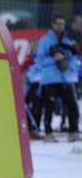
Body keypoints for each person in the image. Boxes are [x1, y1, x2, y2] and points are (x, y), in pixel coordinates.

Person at [36, 14, 80, 142]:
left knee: (72, 105)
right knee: (49, 106)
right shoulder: (45, 40)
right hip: (50, 79)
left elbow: (73, 57)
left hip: (64, 78)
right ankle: (48, 132)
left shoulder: (66, 41)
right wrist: (53, 59)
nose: (61, 26)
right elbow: (40, 61)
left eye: (62, 23)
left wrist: (67, 64)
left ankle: (73, 130)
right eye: (58, 23)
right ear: (53, 24)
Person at [20, 38, 44, 139]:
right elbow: (21, 69)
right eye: (33, 45)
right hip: (32, 84)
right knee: (28, 107)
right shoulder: (29, 57)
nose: (35, 47)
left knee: (38, 107)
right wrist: (27, 63)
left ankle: (35, 128)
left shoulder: (42, 57)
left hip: (41, 85)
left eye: (36, 45)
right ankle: (28, 129)